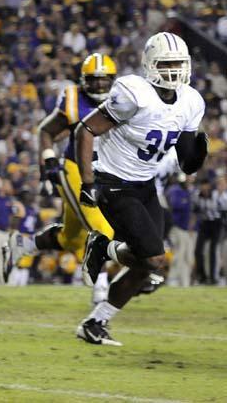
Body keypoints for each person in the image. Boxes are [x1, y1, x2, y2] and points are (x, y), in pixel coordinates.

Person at [75, 32, 207, 346]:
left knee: (150, 265)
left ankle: (95, 322)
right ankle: (104, 249)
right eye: (166, 63)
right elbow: (86, 129)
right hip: (114, 182)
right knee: (154, 261)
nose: (174, 70)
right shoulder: (133, 92)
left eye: (179, 63)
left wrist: (199, 153)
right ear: (150, 65)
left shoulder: (190, 101)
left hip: (145, 185)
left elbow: (186, 163)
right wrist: (87, 183)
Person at [17, 54, 116, 303]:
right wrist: (48, 163)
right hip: (75, 170)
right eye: (95, 81)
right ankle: (101, 288)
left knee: (71, 239)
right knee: (102, 228)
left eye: (105, 82)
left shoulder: (123, 99)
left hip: (107, 170)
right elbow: (47, 130)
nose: (100, 87)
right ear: (84, 81)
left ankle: (25, 245)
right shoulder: (73, 99)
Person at [166, 172, 194, 287]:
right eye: (187, 178)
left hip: (184, 228)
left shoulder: (187, 191)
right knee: (179, 254)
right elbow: (174, 205)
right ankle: (172, 279)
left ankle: (184, 282)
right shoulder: (175, 190)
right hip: (176, 227)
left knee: (187, 256)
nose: (189, 180)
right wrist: (185, 201)